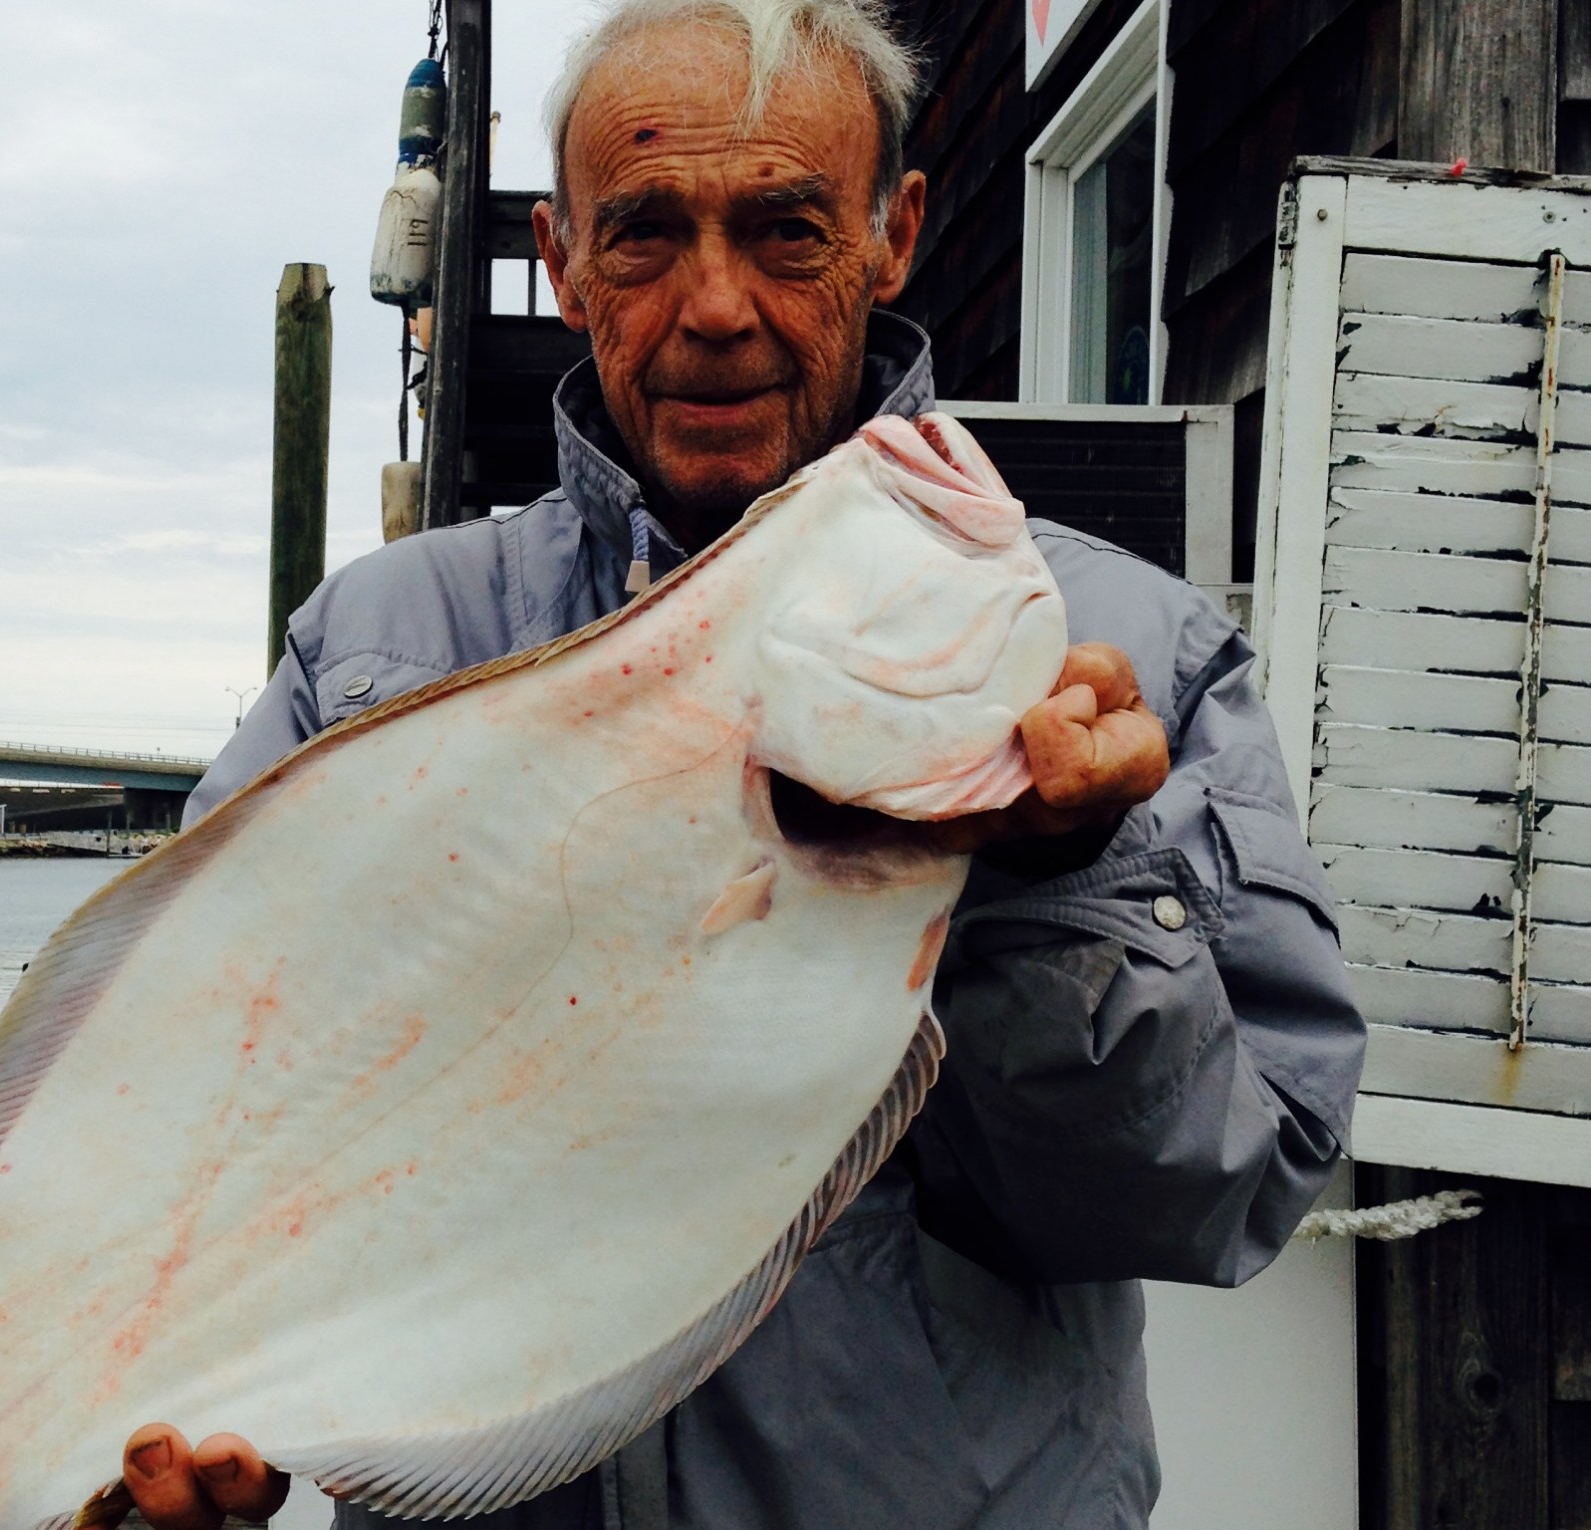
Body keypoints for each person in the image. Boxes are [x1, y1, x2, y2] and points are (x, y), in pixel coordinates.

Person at [120, 2, 1365, 1525]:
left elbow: (1226, 1185)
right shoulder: (375, 649)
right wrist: (178, 1400)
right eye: (645, 235)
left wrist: (1047, 883)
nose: (716, 306)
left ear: (895, 233)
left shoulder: (1127, 655)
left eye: (786, 230)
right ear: (563, 256)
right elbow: (182, 1089)